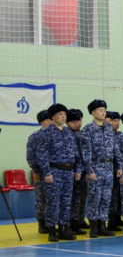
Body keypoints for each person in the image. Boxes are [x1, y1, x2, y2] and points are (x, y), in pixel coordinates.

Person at [35, 103, 82, 242]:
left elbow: (76, 153)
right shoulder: (46, 133)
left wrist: (77, 169)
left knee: (66, 202)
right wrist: (47, 172)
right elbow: (42, 155)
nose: (63, 117)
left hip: (68, 171)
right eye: (60, 114)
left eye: (64, 114)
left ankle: (63, 229)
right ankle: (51, 230)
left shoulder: (68, 132)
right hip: (54, 171)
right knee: (53, 202)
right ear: (52, 117)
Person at [82, 99, 117, 238]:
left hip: (109, 167)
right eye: (100, 110)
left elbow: (115, 149)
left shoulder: (109, 128)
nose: (103, 113)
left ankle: (103, 226)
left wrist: (118, 166)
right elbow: (86, 152)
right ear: (92, 112)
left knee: (106, 199)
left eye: (104, 110)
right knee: (94, 198)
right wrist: (89, 170)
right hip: (96, 167)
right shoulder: (88, 129)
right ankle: (94, 227)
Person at [27, 110, 52, 234]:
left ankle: (52, 223)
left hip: (56, 172)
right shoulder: (35, 136)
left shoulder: (57, 135)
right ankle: (42, 224)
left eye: (51, 120)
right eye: (47, 120)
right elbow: (30, 156)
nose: (50, 123)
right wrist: (35, 171)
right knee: (41, 199)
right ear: (41, 122)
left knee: (53, 199)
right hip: (41, 173)